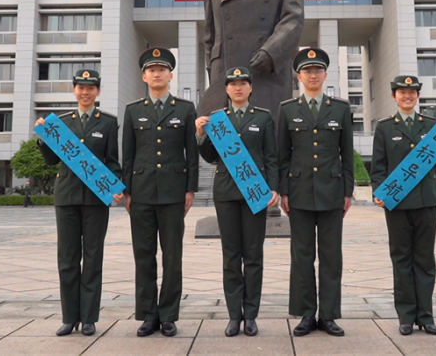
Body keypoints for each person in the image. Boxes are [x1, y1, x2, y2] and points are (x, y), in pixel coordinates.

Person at [369, 76, 436, 336]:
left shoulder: (432, 126)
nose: (407, 96)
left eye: (411, 92)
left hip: (425, 202)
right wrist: (379, 192)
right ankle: (406, 316)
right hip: (396, 203)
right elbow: (379, 166)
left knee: (424, 260)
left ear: (418, 96)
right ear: (393, 96)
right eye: (402, 92)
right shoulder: (385, 127)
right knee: (401, 259)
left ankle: (426, 316)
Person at [35, 69, 122, 337]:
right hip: (67, 196)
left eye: (91, 88)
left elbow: (112, 161)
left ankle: (89, 318)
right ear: (74, 90)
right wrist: (43, 138)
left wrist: (116, 185)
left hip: (96, 199)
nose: (85, 92)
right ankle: (69, 317)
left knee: (93, 258)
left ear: (97, 91)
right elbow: (51, 161)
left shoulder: (107, 122)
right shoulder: (60, 123)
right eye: (81, 87)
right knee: (68, 259)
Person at [195, 66, 280, 337]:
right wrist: (199, 135)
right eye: (233, 84)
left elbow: (271, 157)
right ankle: (234, 315)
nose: (238, 88)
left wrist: (274, 188)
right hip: (227, 193)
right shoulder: (219, 119)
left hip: (255, 193)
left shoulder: (263, 118)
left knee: (253, 255)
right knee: (231, 256)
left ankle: (251, 315)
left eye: (243, 83)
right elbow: (210, 156)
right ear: (227, 89)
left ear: (250, 88)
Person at [277, 48, 354, 337]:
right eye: (307, 71)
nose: (313, 75)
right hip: (298, 192)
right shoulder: (287, 109)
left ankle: (329, 315)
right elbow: (282, 154)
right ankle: (306, 314)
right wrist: (283, 189)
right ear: (298, 76)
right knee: (302, 255)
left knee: (332, 256)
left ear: (325, 75)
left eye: (318, 70)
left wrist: (348, 191)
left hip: (333, 192)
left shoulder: (341, 108)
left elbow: (346, 153)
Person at [122, 47, 199, 337]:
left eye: (162, 69)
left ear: (170, 75)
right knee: (144, 256)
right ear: (144, 75)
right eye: (151, 70)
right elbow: (127, 155)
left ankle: (168, 315)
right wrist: (127, 191)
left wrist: (190, 188)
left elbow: (191, 153)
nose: (157, 74)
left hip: (173, 192)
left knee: (172, 257)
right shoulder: (133, 110)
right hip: (140, 193)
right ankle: (148, 315)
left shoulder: (185, 108)